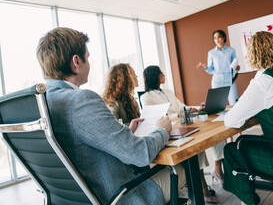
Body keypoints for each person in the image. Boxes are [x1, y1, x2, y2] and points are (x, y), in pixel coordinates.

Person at [36, 27, 185, 205]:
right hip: (118, 197)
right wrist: (162, 130)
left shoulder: (42, 103)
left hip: (79, 199)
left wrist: (124, 132)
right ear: (76, 61)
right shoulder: (80, 100)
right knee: (182, 170)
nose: (89, 63)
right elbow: (140, 154)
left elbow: (79, 147)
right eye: (88, 57)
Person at [222, 31, 273, 205]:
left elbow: (230, 121)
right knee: (244, 142)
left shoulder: (263, 82)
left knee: (231, 150)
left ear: (254, 54)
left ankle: (249, 201)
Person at [140, 65, 217, 203]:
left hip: (183, 125)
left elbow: (182, 105)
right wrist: (184, 112)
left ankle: (202, 187)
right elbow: (162, 116)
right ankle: (202, 189)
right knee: (193, 148)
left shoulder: (168, 91)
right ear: (154, 76)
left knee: (196, 147)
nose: (163, 75)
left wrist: (196, 108)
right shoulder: (146, 97)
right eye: (160, 73)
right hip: (169, 130)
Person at [196, 29, 240, 106]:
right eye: (215, 38)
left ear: (223, 38)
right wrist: (204, 66)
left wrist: (237, 68)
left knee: (234, 103)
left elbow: (235, 64)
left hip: (229, 79)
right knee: (217, 104)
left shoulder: (231, 51)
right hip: (217, 80)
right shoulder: (211, 53)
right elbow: (210, 69)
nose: (217, 40)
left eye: (219, 37)